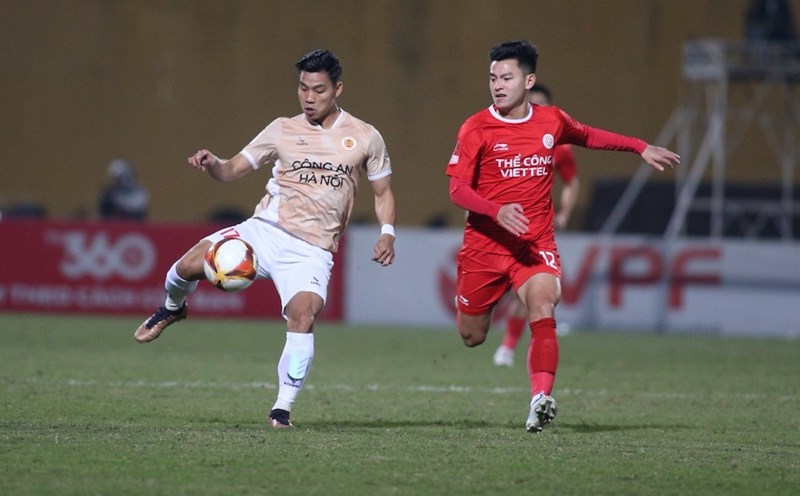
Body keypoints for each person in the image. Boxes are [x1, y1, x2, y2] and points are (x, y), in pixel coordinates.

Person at [133, 49, 397, 429]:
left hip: (311, 250)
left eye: (319, 90)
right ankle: (173, 307)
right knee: (186, 265)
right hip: (264, 230)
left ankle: (281, 410)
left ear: (338, 89)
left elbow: (383, 192)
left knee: (303, 316)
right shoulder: (281, 129)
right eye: (303, 88)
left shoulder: (365, 137)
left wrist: (387, 233)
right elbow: (231, 171)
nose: (309, 97)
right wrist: (214, 164)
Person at [446, 40, 679, 433]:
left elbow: (589, 135)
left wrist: (639, 147)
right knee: (472, 336)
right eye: (493, 78)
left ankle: (540, 399)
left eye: (506, 77)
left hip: (533, 244)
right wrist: (496, 210)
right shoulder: (475, 128)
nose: (497, 85)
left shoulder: (551, 121)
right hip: (485, 247)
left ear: (528, 80)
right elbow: (457, 190)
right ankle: (485, 311)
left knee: (543, 305)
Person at [493, 83, 579, 368]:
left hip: (533, 230)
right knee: (489, 293)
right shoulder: (500, 135)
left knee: (530, 293)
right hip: (499, 226)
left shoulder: (557, 145)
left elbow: (571, 183)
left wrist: (564, 213)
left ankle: (507, 347)